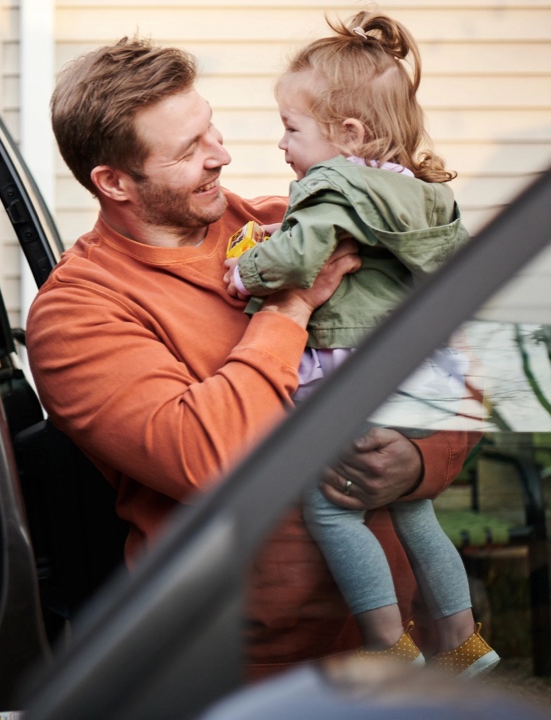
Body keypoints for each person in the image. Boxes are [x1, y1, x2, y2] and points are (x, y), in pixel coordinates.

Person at [25, 33, 479, 681]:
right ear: (114, 182)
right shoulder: (80, 314)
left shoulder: (290, 221)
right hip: (245, 670)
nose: (223, 156)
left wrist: (417, 461)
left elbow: (453, 368)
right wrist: (289, 308)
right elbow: (211, 457)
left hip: (403, 653)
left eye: (211, 131)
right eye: (189, 151)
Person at [221, 12, 499, 678]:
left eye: (291, 127)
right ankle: (463, 641)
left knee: (333, 505)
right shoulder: (422, 192)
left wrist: (245, 272)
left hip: (349, 367)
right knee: (414, 509)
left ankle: (389, 645)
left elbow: (299, 258)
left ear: (347, 134)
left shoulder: (332, 186)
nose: (281, 143)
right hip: (418, 372)